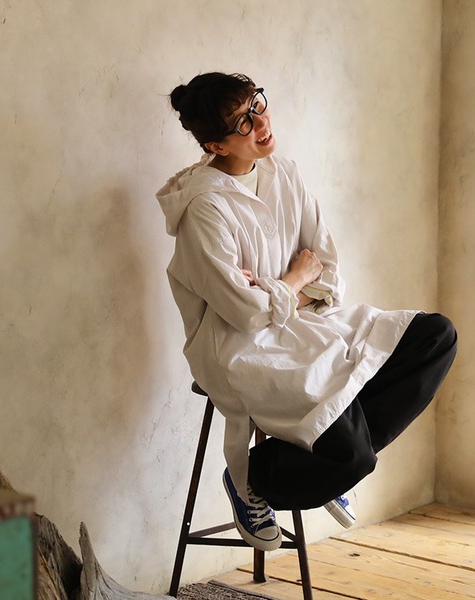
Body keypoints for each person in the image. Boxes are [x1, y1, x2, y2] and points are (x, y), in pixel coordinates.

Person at [156, 72, 457, 552]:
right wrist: (295, 280)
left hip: (305, 324)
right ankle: (253, 479)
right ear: (215, 144)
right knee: (357, 458)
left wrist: (280, 292)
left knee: (436, 335)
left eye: (257, 104)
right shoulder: (204, 209)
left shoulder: (284, 174)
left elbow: (328, 270)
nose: (260, 123)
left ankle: (323, 455)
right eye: (242, 121)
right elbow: (244, 315)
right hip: (239, 350)